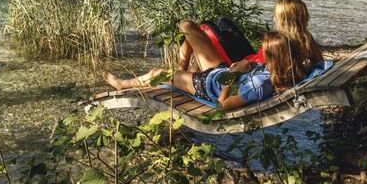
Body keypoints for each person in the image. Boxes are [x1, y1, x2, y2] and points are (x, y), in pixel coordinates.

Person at [103, 31, 307, 111]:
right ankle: (178, 74)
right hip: (218, 73)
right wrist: (241, 69)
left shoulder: (260, 85)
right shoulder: (280, 73)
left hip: (205, 85)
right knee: (188, 29)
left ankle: (123, 84)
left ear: (274, 58)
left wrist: (235, 72)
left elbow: (223, 104)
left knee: (157, 73)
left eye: (265, 53)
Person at [176, 0, 323, 71]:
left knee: (195, 26)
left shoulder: (279, 42)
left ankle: (181, 70)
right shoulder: (305, 38)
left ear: (282, 19)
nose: (274, 18)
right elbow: (320, 64)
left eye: (276, 16)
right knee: (223, 23)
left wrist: (236, 68)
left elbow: (256, 68)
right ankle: (188, 70)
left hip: (239, 68)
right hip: (249, 58)